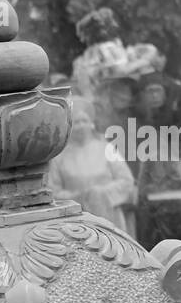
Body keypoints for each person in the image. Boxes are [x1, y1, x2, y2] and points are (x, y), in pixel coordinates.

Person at [45, 96, 136, 233]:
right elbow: (53, 191)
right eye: (76, 122)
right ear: (69, 126)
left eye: (84, 121)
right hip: (76, 221)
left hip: (110, 215)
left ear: (91, 123)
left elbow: (126, 181)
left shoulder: (106, 148)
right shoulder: (59, 157)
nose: (81, 126)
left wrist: (101, 193)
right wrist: (79, 197)